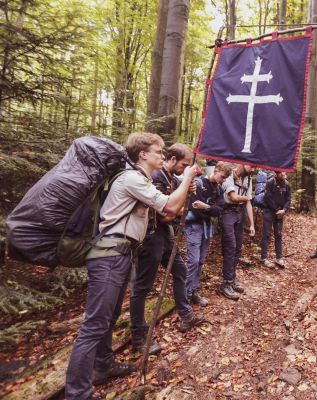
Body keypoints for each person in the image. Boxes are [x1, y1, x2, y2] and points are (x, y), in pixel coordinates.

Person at [65, 132, 198, 400]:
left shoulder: (140, 179)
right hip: (110, 257)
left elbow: (169, 211)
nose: (163, 155)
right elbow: (170, 206)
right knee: (94, 325)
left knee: (109, 317)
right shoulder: (131, 179)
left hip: (119, 255)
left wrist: (184, 187)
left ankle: (103, 365)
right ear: (143, 155)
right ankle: (77, 393)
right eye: (158, 151)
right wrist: (187, 179)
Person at [129, 144, 204, 357]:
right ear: (172, 159)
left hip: (165, 235)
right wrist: (178, 209)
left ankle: (185, 314)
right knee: (142, 286)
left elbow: (176, 210)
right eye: (183, 165)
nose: (184, 169)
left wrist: (185, 192)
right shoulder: (157, 177)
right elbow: (165, 214)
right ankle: (139, 334)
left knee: (180, 270)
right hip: (151, 236)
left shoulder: (172, 178)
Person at [184, 162, 232, 307]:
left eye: (225, 179)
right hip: (194, 226)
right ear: (216, 170)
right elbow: (194, 207)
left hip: (207, 228)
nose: (223, 180)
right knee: (193, 260)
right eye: (222, 177)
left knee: (200, 261)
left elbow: (219, 210)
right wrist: (210, 210)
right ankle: (185, 294)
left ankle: (193, 291)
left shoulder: (217, 189)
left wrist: (206, 207)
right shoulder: (198, 183)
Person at [219, 163, 256, 300]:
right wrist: (246, 198)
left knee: (238, 248)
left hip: (240, 214)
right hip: (228, 212)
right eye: (251, 166)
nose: (253, 170)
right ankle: (226, 283)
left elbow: (248, 203)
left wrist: (252, 224)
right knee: (230, 247)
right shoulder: (229, 175)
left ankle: (232, 279)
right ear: (243, 163)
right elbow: (233, 197)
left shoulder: (248, 178)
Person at [261, 171, 291, 268]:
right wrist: (277, 210)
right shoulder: (270, 182)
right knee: (266, 234)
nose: (283, 174)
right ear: (277, 173)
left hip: (280, 213)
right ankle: (264, 257)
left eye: (284, 173)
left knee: (278, 234)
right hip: (269, 211)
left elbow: (288, 199)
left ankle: (279, 258)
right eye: (281, 173)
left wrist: (284, 210)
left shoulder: (287, 184)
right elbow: (267, 198)